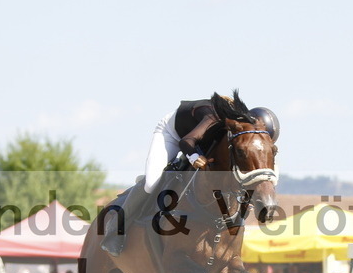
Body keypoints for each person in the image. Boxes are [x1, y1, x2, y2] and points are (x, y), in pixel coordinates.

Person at [101, 91, 279, 257]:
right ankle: (116, 226)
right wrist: (194, 157)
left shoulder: (247, 131)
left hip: (202, 139)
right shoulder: (213, 117)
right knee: (152, 181)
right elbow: (187, 141)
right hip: (175, 134)